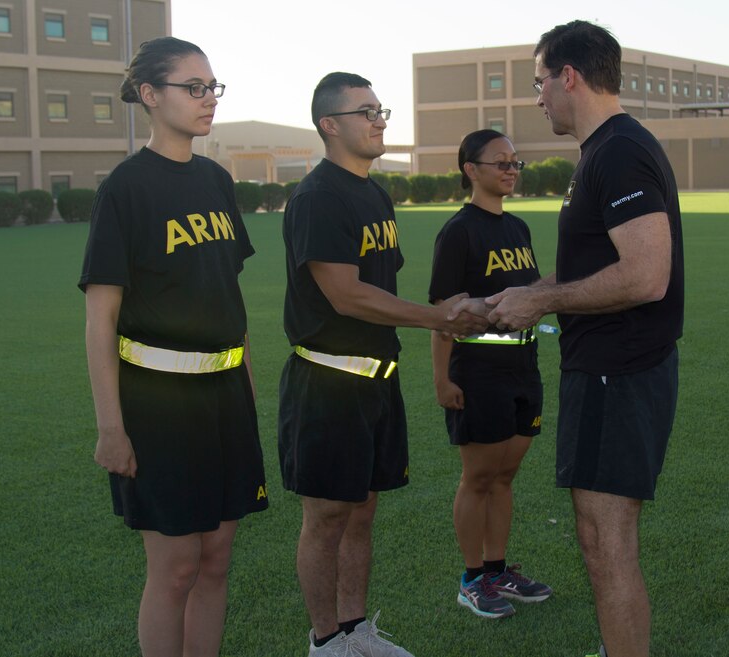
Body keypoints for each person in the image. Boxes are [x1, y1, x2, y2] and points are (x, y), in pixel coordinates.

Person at [453, 20, 684, 657]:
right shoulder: (604, 152)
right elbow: (595, 266)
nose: (537, 97)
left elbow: (645, 275)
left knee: (607, 545)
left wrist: (543, 299)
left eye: (539, 82)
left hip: (621, 373)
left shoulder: (619, 151)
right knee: (598, 538)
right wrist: (520, 296)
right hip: (608, 371)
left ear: (570, 76)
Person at [279, 72, 488, 657]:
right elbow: (347, 295)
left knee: (363, 513)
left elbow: (381, 283)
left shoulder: (373, 192)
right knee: (326, 519)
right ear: (330, 124)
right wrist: (436, 317)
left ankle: (356, 631)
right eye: (366, 111)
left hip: (377, 379)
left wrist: (448, 308)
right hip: (326, 381)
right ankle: (326, 643)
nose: (380, 120)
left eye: (381, 109)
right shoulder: (319, 196)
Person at [79, 37, 268, 657]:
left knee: (216, 560)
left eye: (213, 87)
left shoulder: (217, 179)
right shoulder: (126, 188)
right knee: (176, 568)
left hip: (224, 393)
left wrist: (244, 380)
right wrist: (111, 428)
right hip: (157, 400)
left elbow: (225, 292)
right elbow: (100, 317)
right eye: (193, 87)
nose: (207, 99)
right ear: (150, 96)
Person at [428, 129, 552, 620]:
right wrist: (442, 380)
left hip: (524, 367)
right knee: (478, 477)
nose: (510, 169)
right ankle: (472, 578)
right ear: (470, 170)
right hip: (477, 372)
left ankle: (498, 570)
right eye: (500, 162)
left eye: (515, 162)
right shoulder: (458, 231)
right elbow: (443, 314)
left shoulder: (518, 228)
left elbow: (530, 295)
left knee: (505, 477)